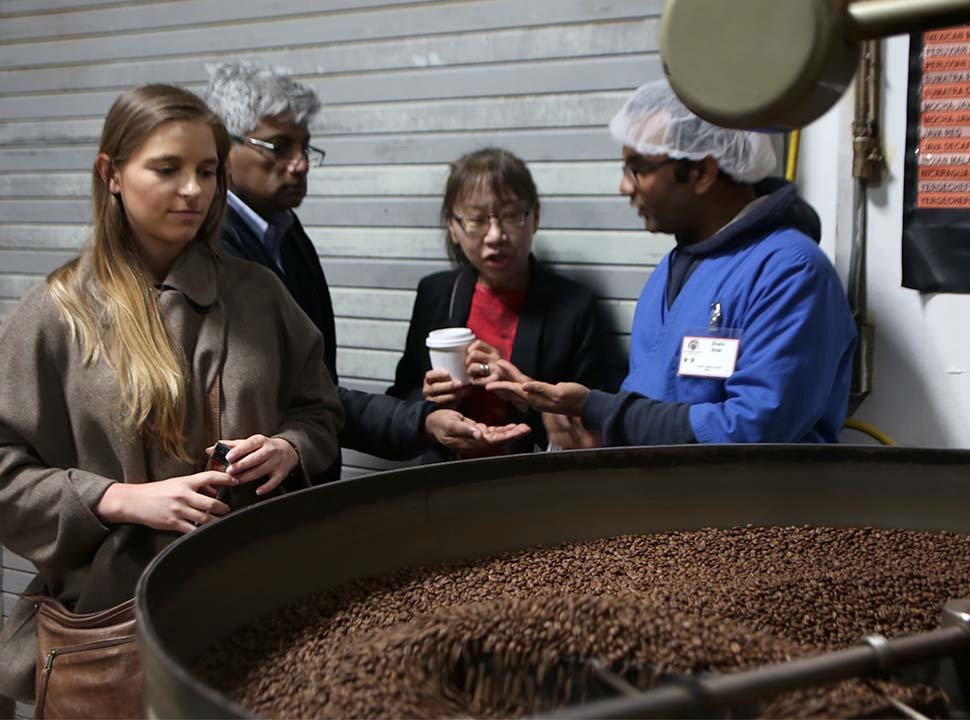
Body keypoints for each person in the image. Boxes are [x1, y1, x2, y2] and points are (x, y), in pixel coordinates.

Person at [0, 85, 343, 704]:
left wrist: (289, 449)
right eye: (167, 169)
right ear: (111, 173)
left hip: (262, 605)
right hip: (114, 629)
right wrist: (119, 499)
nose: (194, 190)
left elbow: (318, 410)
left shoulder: (259, 295)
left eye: (207, 171)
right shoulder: (56, 314)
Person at [489, 79, 857, 446]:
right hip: (668, 499)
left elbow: (751, 430)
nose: (624, 186)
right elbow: (652, 411)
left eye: (639, 169)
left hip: (752, 503)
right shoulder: (670, 272)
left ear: (702, 172)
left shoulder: (790, 273)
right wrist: (588, 435)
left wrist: (601, 409)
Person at [203, 64, 528, 475]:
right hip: (250, 488)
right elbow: (285, 397)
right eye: (278, 147)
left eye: (305, 147)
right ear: (222, 148)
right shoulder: (214, 251)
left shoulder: (285, 230)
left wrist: (424, 419)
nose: (299, 164)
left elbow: (317, 390)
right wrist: (421, 416)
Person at [387, 147, 615, 458]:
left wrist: (526, 397)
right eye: (476, 219)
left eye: (510, 216)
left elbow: (599, 421)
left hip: (532, 483)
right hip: (445, 480)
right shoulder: (436, 293)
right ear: (452, 227)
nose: (495, 235)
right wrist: (430, 405)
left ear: (535, 218)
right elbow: (399, 400)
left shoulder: (574, 306)